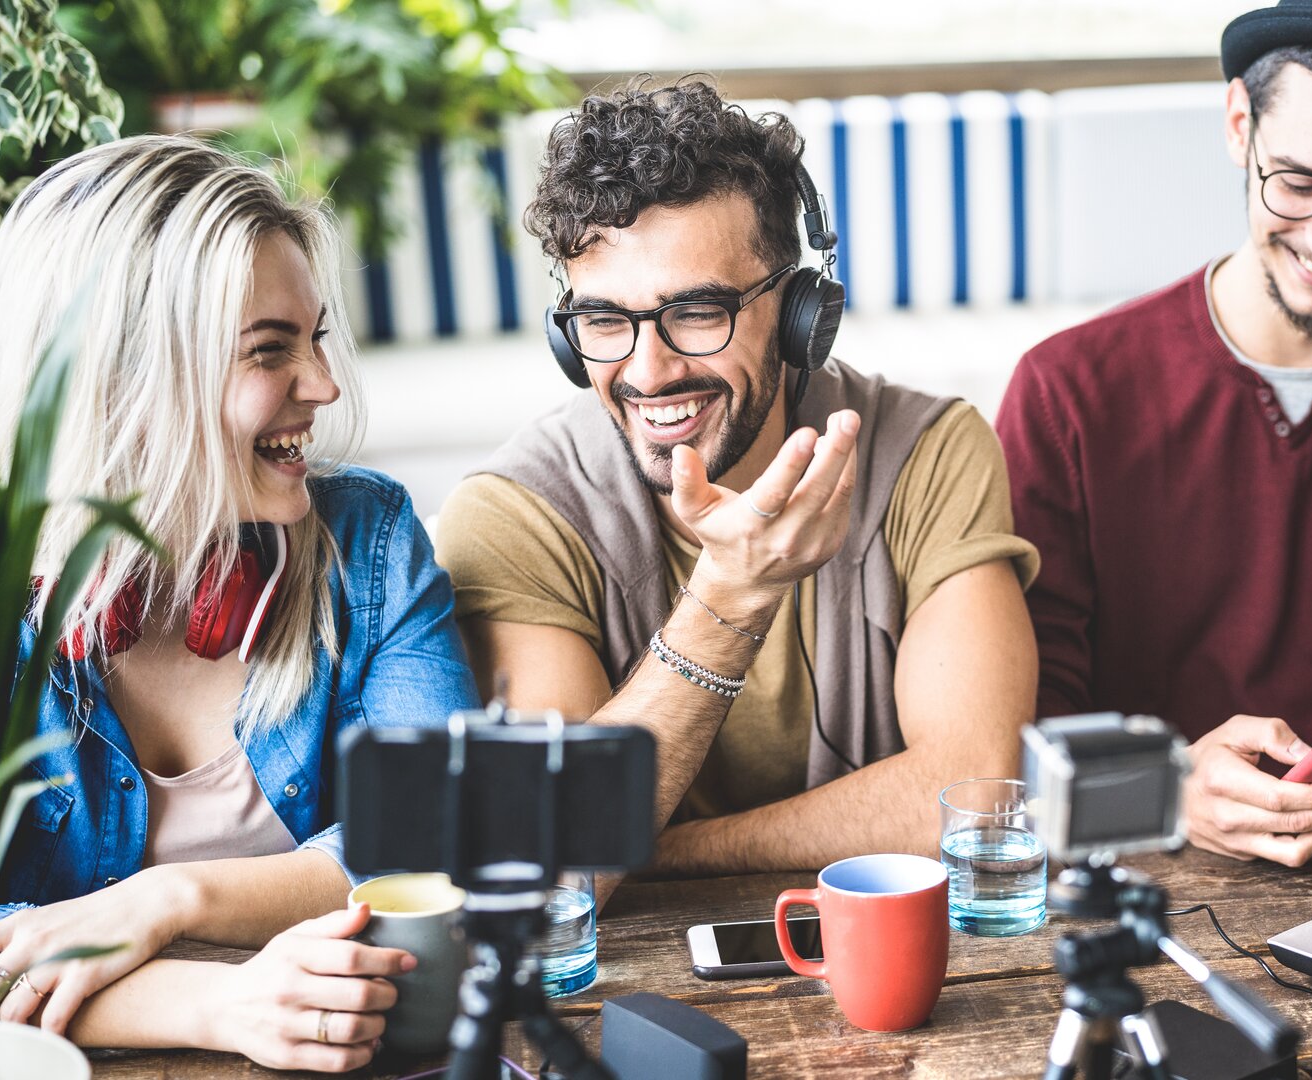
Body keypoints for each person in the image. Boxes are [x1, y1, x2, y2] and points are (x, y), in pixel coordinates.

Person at [434, 80, 1039, 877]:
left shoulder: (929, 452)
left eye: (696, 313)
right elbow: (558, 859)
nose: (648, 373)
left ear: (800, 313)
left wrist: (660, 849)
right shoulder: (511, 516)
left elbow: (977, 792)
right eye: (605, 322)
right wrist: (731, 593)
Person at [995, 0, 1312, 867]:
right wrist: (1167, 788)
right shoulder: (1067, 393)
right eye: (1300, 184)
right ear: (1240, 124)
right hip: (1118, 878)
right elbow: (1021, 719)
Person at [0, 136, 478, 1069]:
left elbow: (447, 829)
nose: (325, 386)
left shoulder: (369, 540)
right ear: (128, 382)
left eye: (318, 337)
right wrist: (214, 1004)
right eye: (271, 352)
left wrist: (172, 899)